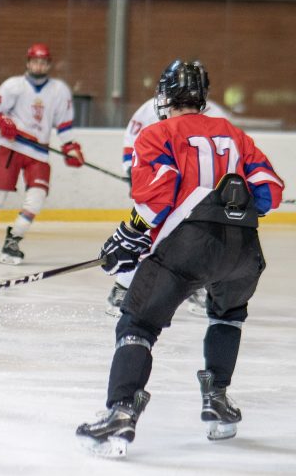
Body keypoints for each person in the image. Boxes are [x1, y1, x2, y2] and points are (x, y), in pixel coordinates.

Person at [76, 61, 283, 458]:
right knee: (227, 315)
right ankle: (217, 399)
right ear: (202, 96)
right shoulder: (234, 135)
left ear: (166, 96)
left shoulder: (157, 133)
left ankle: (121, 412)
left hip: (187, 246)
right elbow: (269, 192)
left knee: (137, 322)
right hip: (244, 250)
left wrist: (129, 233)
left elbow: (158, 198)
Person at [106, 60, 235, 317]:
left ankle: (195, 287)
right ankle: (123, 287)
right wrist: (132, 172)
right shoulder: (149, 110)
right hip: (168, 189)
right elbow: (132, 140)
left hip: (201, 194)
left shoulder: (218, 116)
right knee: (153, 236)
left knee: (196, 239)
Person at [0, 43, 85, 265]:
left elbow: (64, 124)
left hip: (39, 152)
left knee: (36, 199)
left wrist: (70, 146)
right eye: (35, 61)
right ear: (28, 62)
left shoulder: (59, 91)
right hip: (12, 147)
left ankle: (13, 240)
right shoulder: (13, 86)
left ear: (48, 65)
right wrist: (2, 123)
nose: (38, 66)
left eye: (43, 62)